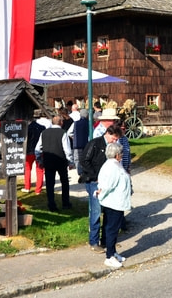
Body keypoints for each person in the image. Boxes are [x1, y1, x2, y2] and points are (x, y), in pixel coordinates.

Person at [81, 124, 123, 252]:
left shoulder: (111, 147)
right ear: (108, 134)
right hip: (94, 182)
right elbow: (84, 161)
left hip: (107, 182)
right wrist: (95, 176)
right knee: (96, 212)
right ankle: (94, 241)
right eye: (114, 138)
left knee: (108, 210)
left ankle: (105, 240)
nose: (115, 141)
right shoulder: (95, 143)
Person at [96, 142, 132, 268]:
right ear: (117, 155)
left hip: (117, 202)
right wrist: (100, 194)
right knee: (112, 229)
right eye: (121, 153)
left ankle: (113, 252)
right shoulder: (113, 167)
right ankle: (109, 256)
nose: (122, 155)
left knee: (113, 228)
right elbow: (108, 185)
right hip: (114, 202)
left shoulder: (113, 164)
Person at [35, 115, 74, 211]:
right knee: (64, 182)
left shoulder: (44, 132)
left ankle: (51, 204)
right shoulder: (63, 133)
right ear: (61, 123)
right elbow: (67, 150)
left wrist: (39, 159)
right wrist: (70, 161)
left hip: (48, 161)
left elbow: (37, 148)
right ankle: (65, 203)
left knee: (49, 183)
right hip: (61, 160)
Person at [22, 110, 50, 194]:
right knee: (40, 170)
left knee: (27, 169)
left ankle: (27, 187)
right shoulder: (42, 128)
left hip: (28, 151)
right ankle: (38, 189)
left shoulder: (26, 128)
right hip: (39, 151)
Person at [68, 108, 90, 178]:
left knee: (77, 159)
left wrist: (73, 137)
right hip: (86, 144)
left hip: (77, 144)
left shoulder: (75, 123)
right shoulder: (89, 124)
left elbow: (69, 132)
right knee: (86, 158)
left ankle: (80, 173)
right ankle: (85, 171)